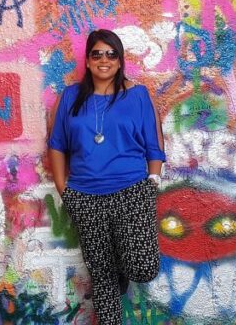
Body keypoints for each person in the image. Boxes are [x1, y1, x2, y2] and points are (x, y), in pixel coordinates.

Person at [47, 29, 165, 325]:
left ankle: (121, 269)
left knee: (143, 267)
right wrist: (65, 191)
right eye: (97, 54)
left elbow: (154, 142)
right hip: (85, 197)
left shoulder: (137, 95)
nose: (104, 60)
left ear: (120, 60)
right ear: (87, 61)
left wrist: (153, 181)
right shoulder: (71, 97)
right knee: (102, 277)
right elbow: (57, 145)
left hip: (132, 191)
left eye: (111, 54)